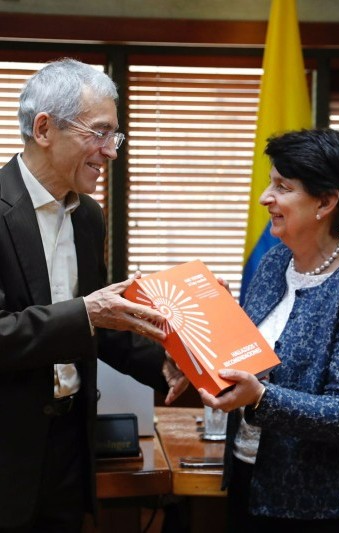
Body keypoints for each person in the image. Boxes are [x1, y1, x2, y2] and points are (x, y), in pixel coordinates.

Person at [0, 58, 188, 532]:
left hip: (70, 446)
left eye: (115, 136)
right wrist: (87, 311)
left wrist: (167, 365)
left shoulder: (89, 218)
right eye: (99, 133)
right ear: (44, 128)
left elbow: (102, 328)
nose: (111, 152)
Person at [199, 128, 339, 532]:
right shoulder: (273, 264)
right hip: (248, 477)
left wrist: (262, 398)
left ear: (325, 202)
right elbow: (250, 358)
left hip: (319, 507)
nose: (264, 198)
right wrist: (214, 317)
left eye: (282, 187)